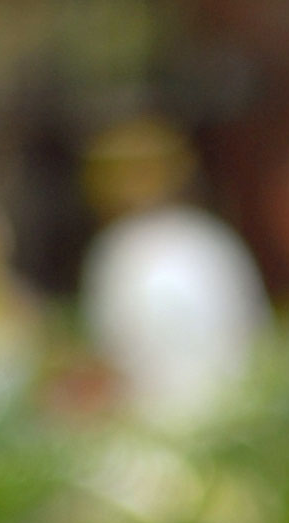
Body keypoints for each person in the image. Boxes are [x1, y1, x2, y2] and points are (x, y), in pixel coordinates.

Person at [80, 119, 270, 427]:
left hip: (161, 425)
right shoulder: (211, 236)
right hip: (235, 417)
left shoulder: (125, 247)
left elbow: (117, 356)